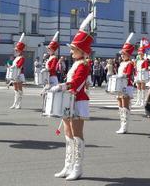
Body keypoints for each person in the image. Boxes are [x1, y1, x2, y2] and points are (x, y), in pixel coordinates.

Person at [52, 13, 94, 181]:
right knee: (68, 135)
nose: (70, 51)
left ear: (81, 51)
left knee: (77, 135)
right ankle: (68, 165)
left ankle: (78, 167)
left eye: (73, 49)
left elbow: (76, 83)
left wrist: (60, 86)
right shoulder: (76, 63)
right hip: (69, 100)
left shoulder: (84, 65)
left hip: (78, 101)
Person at [114, 33, 135, 134]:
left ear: (129, 54)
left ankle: (125, 126)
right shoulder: (122, 63)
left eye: (124, 53)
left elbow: (129, 74)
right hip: (120, 85)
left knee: (125, 106)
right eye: (122, 54)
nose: (122, 55)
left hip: (126, 85)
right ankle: (121, 124)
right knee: (120, 106)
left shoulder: (130, 63)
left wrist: (121, 76)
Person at [9, 34, 26, 109]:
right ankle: (15, 103)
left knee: (19, 90)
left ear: (20, 50)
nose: (16, 51)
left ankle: (20, 103)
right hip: (14, 75)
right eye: (16, 50)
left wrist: (14, 66)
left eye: (17, 50)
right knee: (15, 90)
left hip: (19, 74)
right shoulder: (16, 57)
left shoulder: (22, 58)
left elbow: (19, 65)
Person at [133, 39, 150, 108]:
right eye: (139, 54)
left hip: (143, 75)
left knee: (143, 88)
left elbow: (146, 68)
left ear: (143, 54)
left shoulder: (145, 60)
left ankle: (142, 101)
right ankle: (138, 100)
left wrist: (142, 69)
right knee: (138, 88)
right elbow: (135, 68)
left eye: (141, 54)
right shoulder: (137, 60)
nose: (140, 55)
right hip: (138, 75)